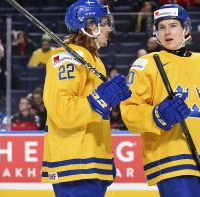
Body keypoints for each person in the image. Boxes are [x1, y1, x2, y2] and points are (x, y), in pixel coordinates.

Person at [121, 4, 200, 197]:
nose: (167, 31)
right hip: (171, 158)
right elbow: (129, 112)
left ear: (186, 29)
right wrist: (156, 115)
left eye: (173, 25)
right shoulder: (145, 64)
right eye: (161, 27)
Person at [41, 1, 131, 197]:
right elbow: (63, 111)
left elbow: (95, 116)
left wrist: (105, 156)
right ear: (90, 24)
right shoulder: (68, 57)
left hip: (90, 160)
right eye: (105, 22)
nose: (109, 28)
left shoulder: (94, 59)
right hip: (74, 162)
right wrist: (100, 99)